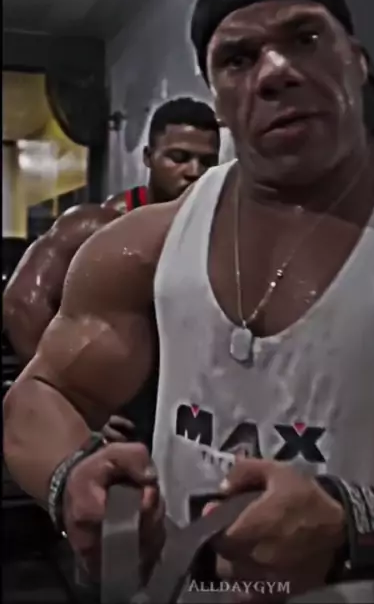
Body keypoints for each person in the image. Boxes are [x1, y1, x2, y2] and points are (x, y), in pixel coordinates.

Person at [3, 0, 374, 602]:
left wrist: (361, 529)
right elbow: (39, 395)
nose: (275, 71)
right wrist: (73, 478)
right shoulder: (143, 244)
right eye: (239, 58)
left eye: (305, 38)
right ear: (218, 98)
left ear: (358, 61)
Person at [3, 97, 219, 447]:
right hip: (120, 406)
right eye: (179, 157)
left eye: (207, 161)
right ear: (148, 158)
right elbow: (22, 303)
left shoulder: (213, 230)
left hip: (184, 408)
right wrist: (67, 399)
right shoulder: (101, 225)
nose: (194, 172)